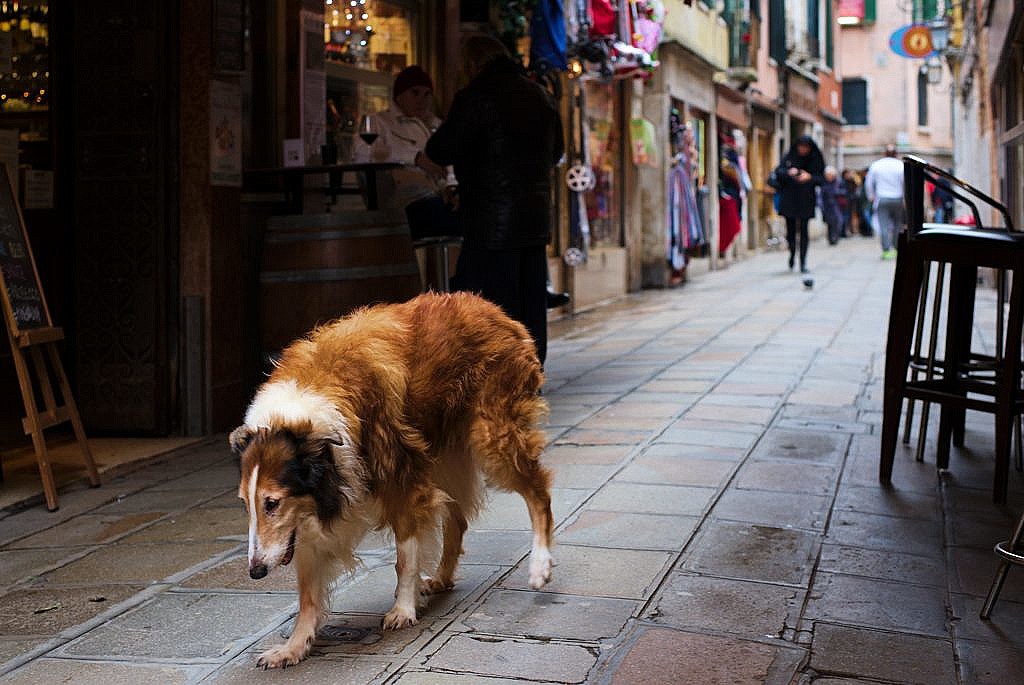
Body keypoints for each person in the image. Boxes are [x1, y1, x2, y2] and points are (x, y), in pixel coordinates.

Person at [425, 36, 563, 365]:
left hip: (490, 219)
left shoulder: (475, 97)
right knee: (531, 303)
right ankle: (530, 376)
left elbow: (440, 150)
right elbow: (555, 153)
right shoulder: (541, 96)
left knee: (495, 304)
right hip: (534, 219)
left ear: (473, 65)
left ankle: (501, 379)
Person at [352, 65, 458, 241]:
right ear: (399, 95)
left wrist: (452, 187)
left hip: (437, 198)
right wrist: (416, 158)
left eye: (427, 94)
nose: (422, 100)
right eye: (415, 93)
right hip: (402, 203)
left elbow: (452, 165)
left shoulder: (436, 125)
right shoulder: (381, 122)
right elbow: (363, 152)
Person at [773, 135, 825, 273]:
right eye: (801, 147)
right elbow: (778, 172)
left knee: (803, 231)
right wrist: (790, 172)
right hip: (789, 198)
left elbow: (822, 179)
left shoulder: (815, 158)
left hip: (806, 199)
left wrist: (809, 177)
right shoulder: (790, 156)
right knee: (790, 231)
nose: (803, 150)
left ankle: (803, 262)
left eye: (806, 147)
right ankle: (792, 253)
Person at [864, 143, 905, 259]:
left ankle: (886, 250)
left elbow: (868, 183)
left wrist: (871, 196)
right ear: (896, 154)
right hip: (898, 198)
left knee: (883, 226)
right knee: (897, 225)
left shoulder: (877, 165)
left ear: (884, 153)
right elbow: (905, 183)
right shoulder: (900, 165)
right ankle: (896, 248)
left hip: (882, 198)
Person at [819, 165, 845, 245]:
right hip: (827, 206)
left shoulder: (839, 182)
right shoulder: (823, 183)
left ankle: (835, 237)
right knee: (829, 223)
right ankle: (831, 238)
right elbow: (820, 196)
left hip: (837, 206)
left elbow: (845, 192)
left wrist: (837, 192)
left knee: (837, 222)